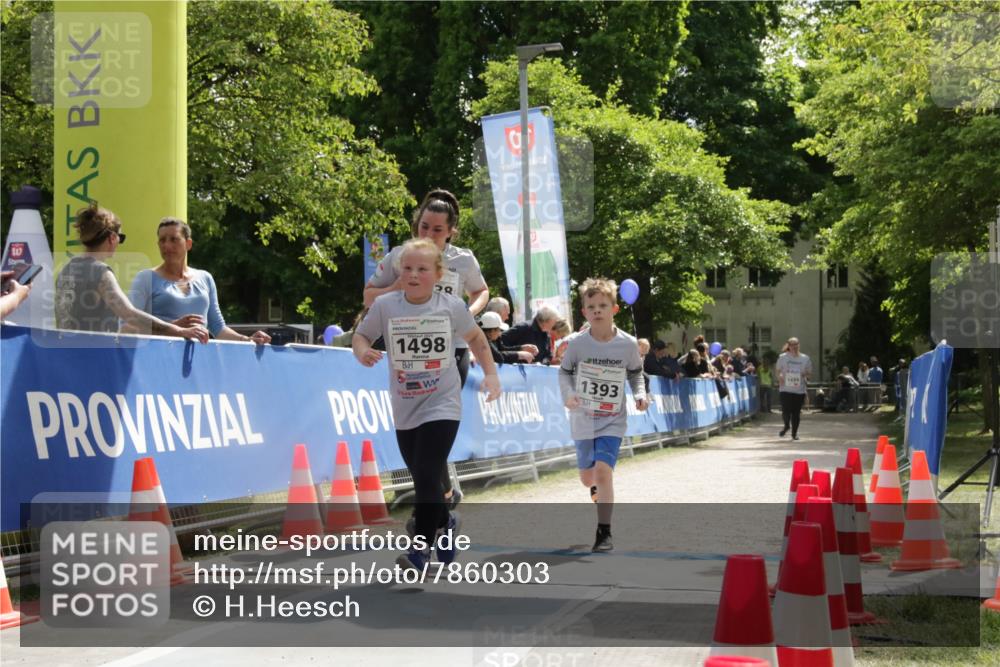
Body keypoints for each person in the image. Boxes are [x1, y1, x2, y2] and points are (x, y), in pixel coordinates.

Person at [352, 238, 500, 570]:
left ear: (437, 275)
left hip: (442, 401)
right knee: (422, 473)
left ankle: (420, 550)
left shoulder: (450, 306)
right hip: (406, 404)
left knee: (428, 469)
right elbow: (361, 335)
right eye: (407, 268)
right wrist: (363, 351)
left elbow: (476, 338)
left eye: (421, 269)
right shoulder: (386, 305)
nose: (413, 275)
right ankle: (445, 524)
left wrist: (491, 374)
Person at [363, 189, 489, 508]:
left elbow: (481, 291)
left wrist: (466, 314)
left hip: (452, 352)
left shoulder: (463, 260)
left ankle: (429, 519)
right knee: (417, 442)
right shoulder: (398, 258)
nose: (429, 234)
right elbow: (368, 296)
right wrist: (398, 285)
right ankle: (445, 495)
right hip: (408, 358)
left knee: (435, 431)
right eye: (423, 227)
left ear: (450, 232)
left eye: (437, 229)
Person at [559, 277, 647, 552]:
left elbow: (635, 373)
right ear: (584, 312)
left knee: (603, 471)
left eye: (602, 305)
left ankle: (604, 532)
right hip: (583, 418)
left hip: (612, 418)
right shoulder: (577, 344)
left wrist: (640, 394)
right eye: (591, 306)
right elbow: (564, 372)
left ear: (614, 309)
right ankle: (595, 491)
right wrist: (569, 395)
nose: (597, 310)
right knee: (588, 478)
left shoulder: (628, 343)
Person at [55, 203, 209, 343]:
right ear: (112, 238)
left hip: (65, 357)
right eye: (120, 238)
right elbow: (130, 315)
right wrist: (179, 331)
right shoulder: (100, 272)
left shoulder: (66, 270)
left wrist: (168, 326)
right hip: (95, 360)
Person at [126, 217, 271, 344]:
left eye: (174, 239)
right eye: (162, 240)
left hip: (197, 364)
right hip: (159, 361)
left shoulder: (205, 278)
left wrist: (249, 340)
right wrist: (174, 328)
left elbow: (218, 328)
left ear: (188, 244)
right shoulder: (145, 278)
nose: (167, 245)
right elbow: (127, 327)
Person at [776, 337, 812, 440]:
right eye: (792, 344)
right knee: (785, 411)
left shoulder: (805, 358)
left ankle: (794, 434)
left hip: (799, 390)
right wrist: (780, 378)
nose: (795, 346)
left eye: (796, 344)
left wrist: (804, 373)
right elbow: (778, 371)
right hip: (785, 389)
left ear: (799, 345)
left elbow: (809, 374)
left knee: (796, 413)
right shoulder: (782, 357)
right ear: (789, 346)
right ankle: (787, 425)